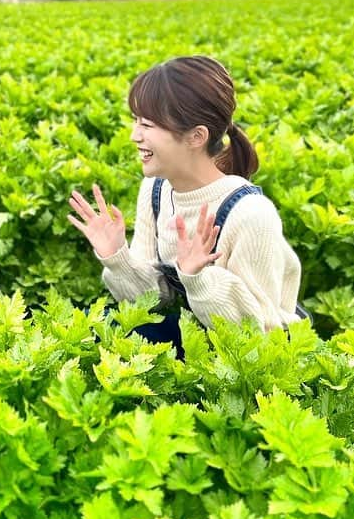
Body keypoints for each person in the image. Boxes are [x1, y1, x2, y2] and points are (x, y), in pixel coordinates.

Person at [68, 56, 303, 356]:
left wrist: (199, 279)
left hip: (246, 360)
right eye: (135, 120)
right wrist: (117, 258)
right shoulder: (155, 190)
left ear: (196, 136)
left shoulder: (251, 214)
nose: (134, 135)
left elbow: (258, 337)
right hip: (191, 340)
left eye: (148, 125)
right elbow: (152, 306)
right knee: (111, 329)